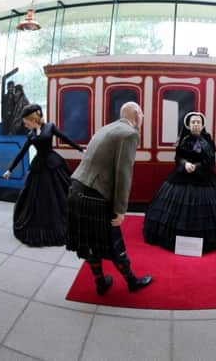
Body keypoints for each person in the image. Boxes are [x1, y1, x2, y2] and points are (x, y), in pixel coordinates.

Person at [66, 102, 152, 295]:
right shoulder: (129, 134)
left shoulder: (106, 128)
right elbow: (123, 173)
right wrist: (121, 210)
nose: (143, 119)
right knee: (114, 243)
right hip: (95, 196)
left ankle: (100, 283)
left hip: (76, 189)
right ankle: (132, 282)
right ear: (137, 114)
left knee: (88, 242)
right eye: (143, 115)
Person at [143, 112, 216, 253]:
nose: (196, 124)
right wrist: (185, 164)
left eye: (198, 122)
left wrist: (197, 167)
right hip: (182, 176)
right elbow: (178, 157)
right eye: (193, 122)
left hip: (204, 178)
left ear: (202, 125)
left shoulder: (208, 140)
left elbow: (211, 161)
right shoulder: (182, 139)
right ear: (188, 124)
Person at [2, 104, 83, 246]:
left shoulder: (50, 127)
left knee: (60, 193)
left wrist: (80, 149)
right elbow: (22, 153)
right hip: (39, 167)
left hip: (53, 164)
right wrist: (10, 169)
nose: (25, 124)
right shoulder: (31, 135)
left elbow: (64, 137)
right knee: (37, 196)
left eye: (26, 121)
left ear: (32, 118)